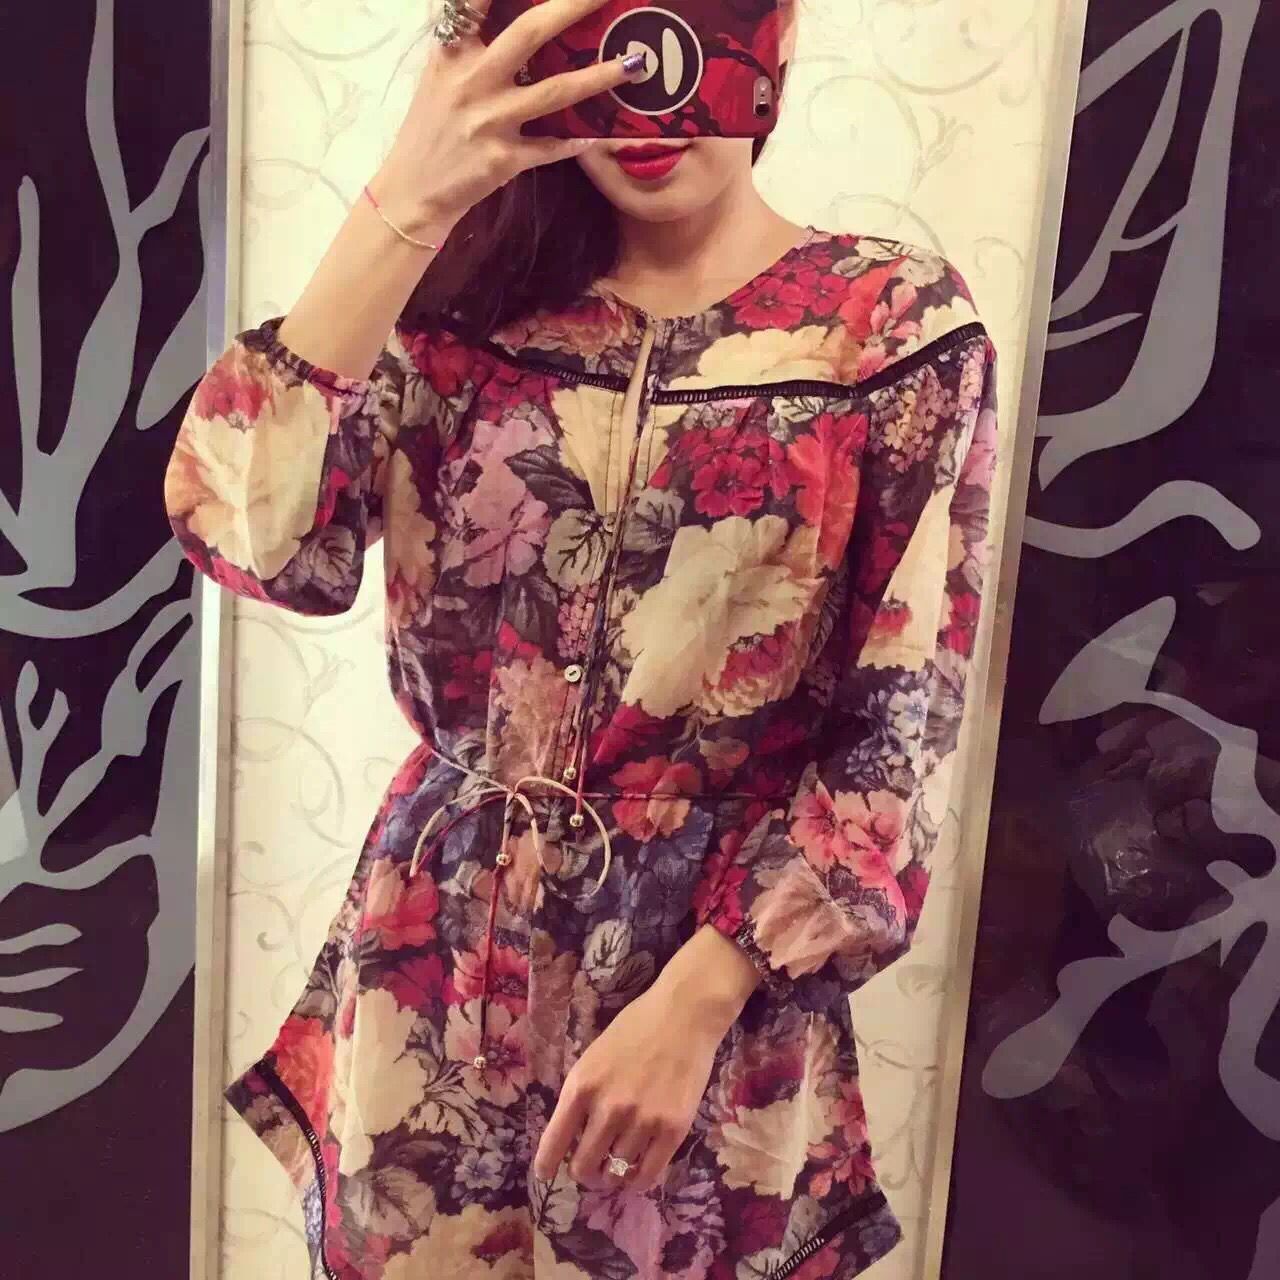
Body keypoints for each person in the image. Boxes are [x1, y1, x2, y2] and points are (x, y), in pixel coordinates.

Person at [163, 0, 998, 1275]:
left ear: (771, 32)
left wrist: (703, 997)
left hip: (708, 989)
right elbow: (247, 536)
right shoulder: (449, 312)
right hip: (432, 964)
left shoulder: (885, 328)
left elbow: (899, 724)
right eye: (595, 31)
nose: (645, 78)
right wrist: (404, 202)